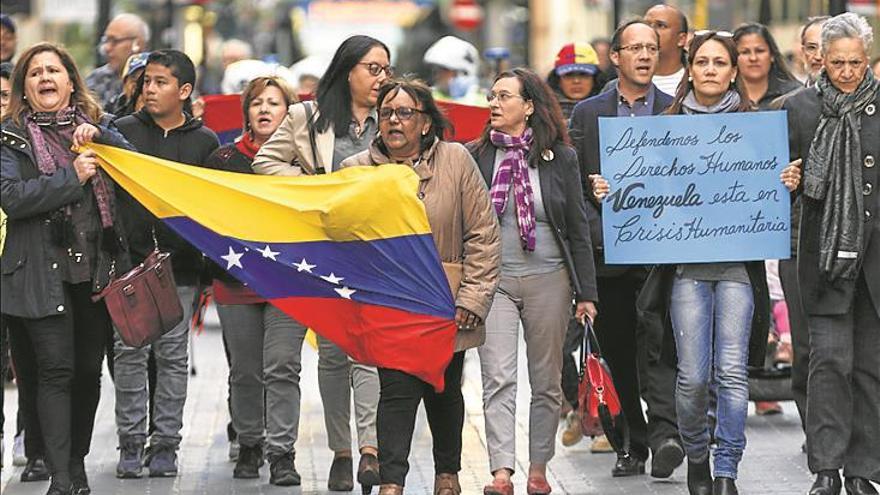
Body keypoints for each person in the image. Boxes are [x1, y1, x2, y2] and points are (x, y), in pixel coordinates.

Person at [600, 31, 800, 495]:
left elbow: (772, 191)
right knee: (691, 376)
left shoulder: (760, 128)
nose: (711, 69)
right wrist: (609, 191)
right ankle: (696, 454)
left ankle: (726, 467)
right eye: (703, 61)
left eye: (720, 62)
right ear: (690, 69)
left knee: (730, 373)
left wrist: (787, 177)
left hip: (737, 270)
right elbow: (639, 192)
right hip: (685, 272)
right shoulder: (660, 128)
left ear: (734, 71)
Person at [340, 78, 500, 495]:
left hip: (447, 303)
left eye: (405, 113)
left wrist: (473, 298)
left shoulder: (456, 160)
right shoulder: (356, 170)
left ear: (426, 122)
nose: (394, 121)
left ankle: (447, 473)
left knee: (443, 390)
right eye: (387, 113)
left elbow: (483, 233)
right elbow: (339, 237)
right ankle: (393, 480)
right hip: (389, 304)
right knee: (396, 389)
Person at [253, 34, 391, 492]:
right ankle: (342, 452)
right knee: (333, 356)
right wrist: (319, 187)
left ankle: (370, 448)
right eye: (373, 68)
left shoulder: (392, 117)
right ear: (347, 70)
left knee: (366, 352)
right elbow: (266, 165)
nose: (381, 78)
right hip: (320, 253)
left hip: (372, 250)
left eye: (386, 69)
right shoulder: (305, 117)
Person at [1, 41, 134, 495]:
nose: (44, 78)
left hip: (95, 270)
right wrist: (70, 178)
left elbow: (136, 167)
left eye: (52, 70)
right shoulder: (9, 137)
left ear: (70, 81)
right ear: (25, 87)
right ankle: (60, 477)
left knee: (87, 372)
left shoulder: (97, 126)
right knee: (55, 371)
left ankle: (75, 463)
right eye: (35, 73)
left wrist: (101, 138)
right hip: (40, 273)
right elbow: (14, 198)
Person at [470, 67, 598, 495]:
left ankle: (538, 468)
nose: (494, 103)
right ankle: (502, 471)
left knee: (545, 381)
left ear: (528, 106)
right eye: (491, 96)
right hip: (496, 281)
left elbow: (578, 228)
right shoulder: (477, 155)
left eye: (504, 96)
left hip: (551, 280)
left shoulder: (560, 157)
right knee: (498, 377)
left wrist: (587, 294)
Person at [568, 19, 684, 480]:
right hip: (609, 253)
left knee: (661, 347)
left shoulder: (676, 110)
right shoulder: (588, 113)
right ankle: (631, 444)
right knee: (617, 353)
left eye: (651, 48)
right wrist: (592, 191)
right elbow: (572, 185)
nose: (643, 55)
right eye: (634, 48)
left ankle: (665, 435)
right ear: (614, 57)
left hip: (662, 252)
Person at [783, 13, 880, 495]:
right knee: (828, 363)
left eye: (855, 63)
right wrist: (791, 183)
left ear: (868, 59)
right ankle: (826, 468)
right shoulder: (798, 108)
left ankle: (863, 470)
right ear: (822, 59)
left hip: (875, 264)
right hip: (823, 261)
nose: (846, 71)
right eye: (838, 62)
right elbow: (769, 182)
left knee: (869, 368)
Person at [112, 49, 219, 479]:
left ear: (185, 90)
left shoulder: (204, 142)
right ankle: (130, 442)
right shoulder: (120, 132)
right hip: (129, 268)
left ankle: (165, 445)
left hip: (181, 269)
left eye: (160, 82)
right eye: (146, 82)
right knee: (130, 355)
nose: (149, 89)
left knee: (173, 357)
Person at [201, 75, 307, 486]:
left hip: (289, 284)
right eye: (257, 102)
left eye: (274, 103)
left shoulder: (305, 163)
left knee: (283, 366)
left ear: (289, 112)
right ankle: (249, 443)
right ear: (246, 111)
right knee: (245, 371)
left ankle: (282, 453)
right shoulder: (223, 159)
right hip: (235, 283)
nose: (264, 109)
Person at [86, 13, 150, 110]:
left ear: (138, 43)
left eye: (114, 41)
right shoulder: (96, 79)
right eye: (106, 40)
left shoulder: (157, 77)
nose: (107, 48)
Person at [733, 23, 801, 110]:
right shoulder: (724, 98)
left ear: (772, 55)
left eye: (760, 51)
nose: (753, 58)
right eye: (745, 52)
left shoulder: (795, 95)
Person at [423, 36, 485, 105]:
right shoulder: (430, 99)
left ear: (461, 73)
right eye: (436, 69)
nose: (438, 75)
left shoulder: (483, 102)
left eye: (444, 69)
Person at [546, 42, 600, 121]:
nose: (576, 81)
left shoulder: (610, 108)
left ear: (595, 79)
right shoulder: (543, 113)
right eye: (568, 75)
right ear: (557, 80)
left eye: (583, 75)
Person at [644, 4, 688, 96]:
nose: (650, 31)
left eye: (660, 26)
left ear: (681, 39)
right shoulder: (621, 84)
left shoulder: (697, 82)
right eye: (646, 25)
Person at [108, 52, 149, 118]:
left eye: (145, 81)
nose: (138, 86)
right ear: (124, 84)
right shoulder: (111, 108)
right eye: (134, 80)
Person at [800, 16, 831, 86]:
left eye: (825, 48)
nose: (818, 57)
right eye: (812, 48)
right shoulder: (792, 96)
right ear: (802, 53)